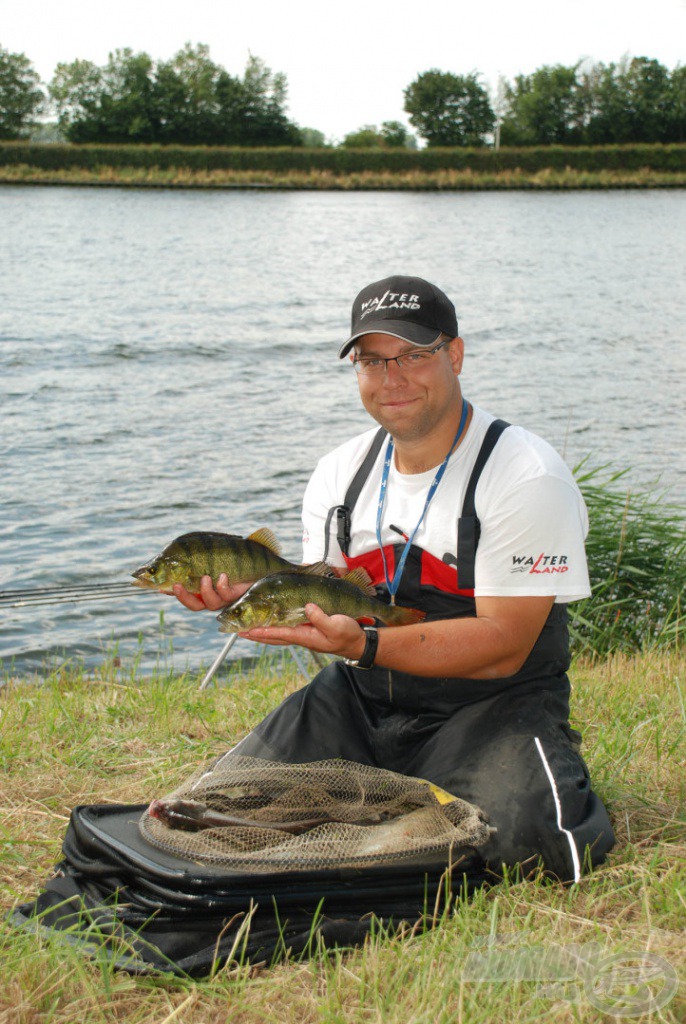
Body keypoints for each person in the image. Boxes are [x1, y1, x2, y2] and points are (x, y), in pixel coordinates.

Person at [173, 274, 615, 882]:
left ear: (454, 354)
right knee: (212, 817)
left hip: (491, 704)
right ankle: (393, 795)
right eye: (372, 361)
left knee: (519, 843)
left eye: (414, 354)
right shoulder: (338, 473)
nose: (392, 378)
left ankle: (485, 779)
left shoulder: (523, 474)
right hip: (360, 697)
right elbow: (320, 593)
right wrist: (247, 598)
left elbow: (506, 647)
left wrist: (366, 642)